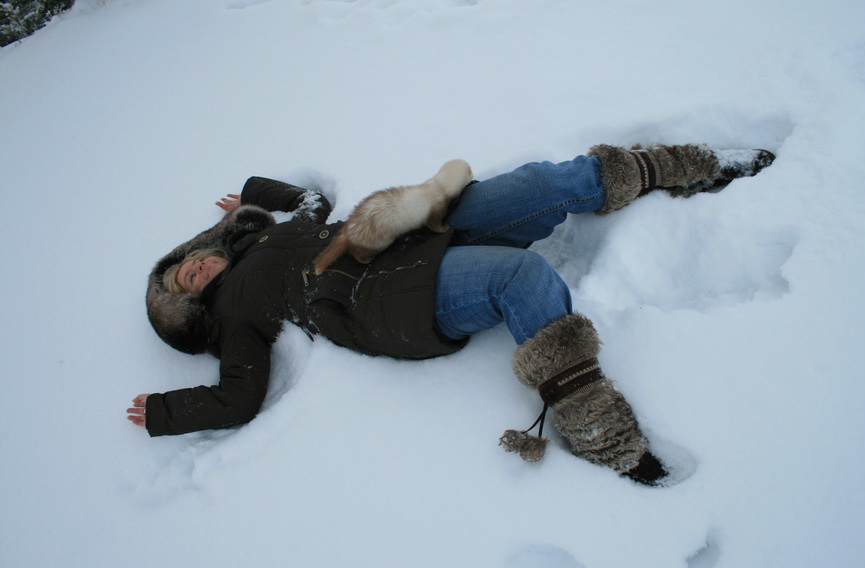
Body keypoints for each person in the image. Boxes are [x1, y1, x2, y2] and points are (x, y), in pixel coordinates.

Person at [128, 143, 775, 486]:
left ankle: (684, 166)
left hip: (404, 231)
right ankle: (598, 430)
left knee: (538, 186)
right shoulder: (233, 319)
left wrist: (249, 198)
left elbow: (311, 200)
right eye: (186, 284)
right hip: (382, 299)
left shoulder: (267, 236)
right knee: (522, 276)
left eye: (190, 262)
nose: (197, 271)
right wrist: (165, 412)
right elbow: (239, 396)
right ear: (192, 306)